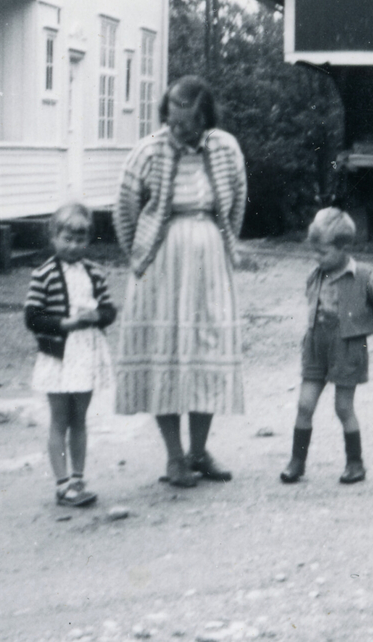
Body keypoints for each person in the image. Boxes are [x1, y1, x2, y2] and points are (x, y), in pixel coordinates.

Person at [113, 75, 247, 487]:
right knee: (164, 354)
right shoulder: (148, 150)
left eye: (186, 124)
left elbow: (238, 198)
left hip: (209, 259)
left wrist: (222, 243)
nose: (177, 130)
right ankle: (174, 458)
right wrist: (140, 254)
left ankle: (199, 451)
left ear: (205, 118)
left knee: (206, 352)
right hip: (161, 262)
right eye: (171, 121)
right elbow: (124, 206)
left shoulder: (225, 147)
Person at [280, 207, 373, 486]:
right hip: (316, 346)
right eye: (315, 252)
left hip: (347, 349)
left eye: (323, 253)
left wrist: (367, 328)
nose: (316, 258)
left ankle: (355, 464)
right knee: (304, 404)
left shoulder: (362, 278)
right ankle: (297, 462)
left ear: (344, 248)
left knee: (343, 408)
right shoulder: (316, 275)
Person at [24, 202, 116, 508]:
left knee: (80, 419)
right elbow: (33, 317)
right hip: (58, 355)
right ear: (53, 237)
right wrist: (65, 323)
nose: (73, 245)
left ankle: (78, 478)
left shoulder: (95, 272)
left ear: (88, 241)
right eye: (67, 239)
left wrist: (97, 316)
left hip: (87, 353)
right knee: (59, 420)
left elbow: (109, 310)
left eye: (80, 240)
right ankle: (62, 484)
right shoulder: (44, 274)